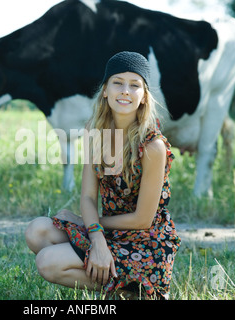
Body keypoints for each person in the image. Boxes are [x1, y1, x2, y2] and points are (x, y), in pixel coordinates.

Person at [25, 51, 181, 299]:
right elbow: (87, 196)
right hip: (107, 232)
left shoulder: (153, 146)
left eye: (135, 85)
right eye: (117, 82)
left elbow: (142, 219)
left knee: (47, 262)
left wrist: (87, 223)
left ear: (144, 97)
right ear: (105, 90)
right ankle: (118, 285)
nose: (125, 91)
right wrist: (96, 237)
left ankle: (134, 291)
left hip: (144, 244)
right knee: (37, 231)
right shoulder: (95, 131)